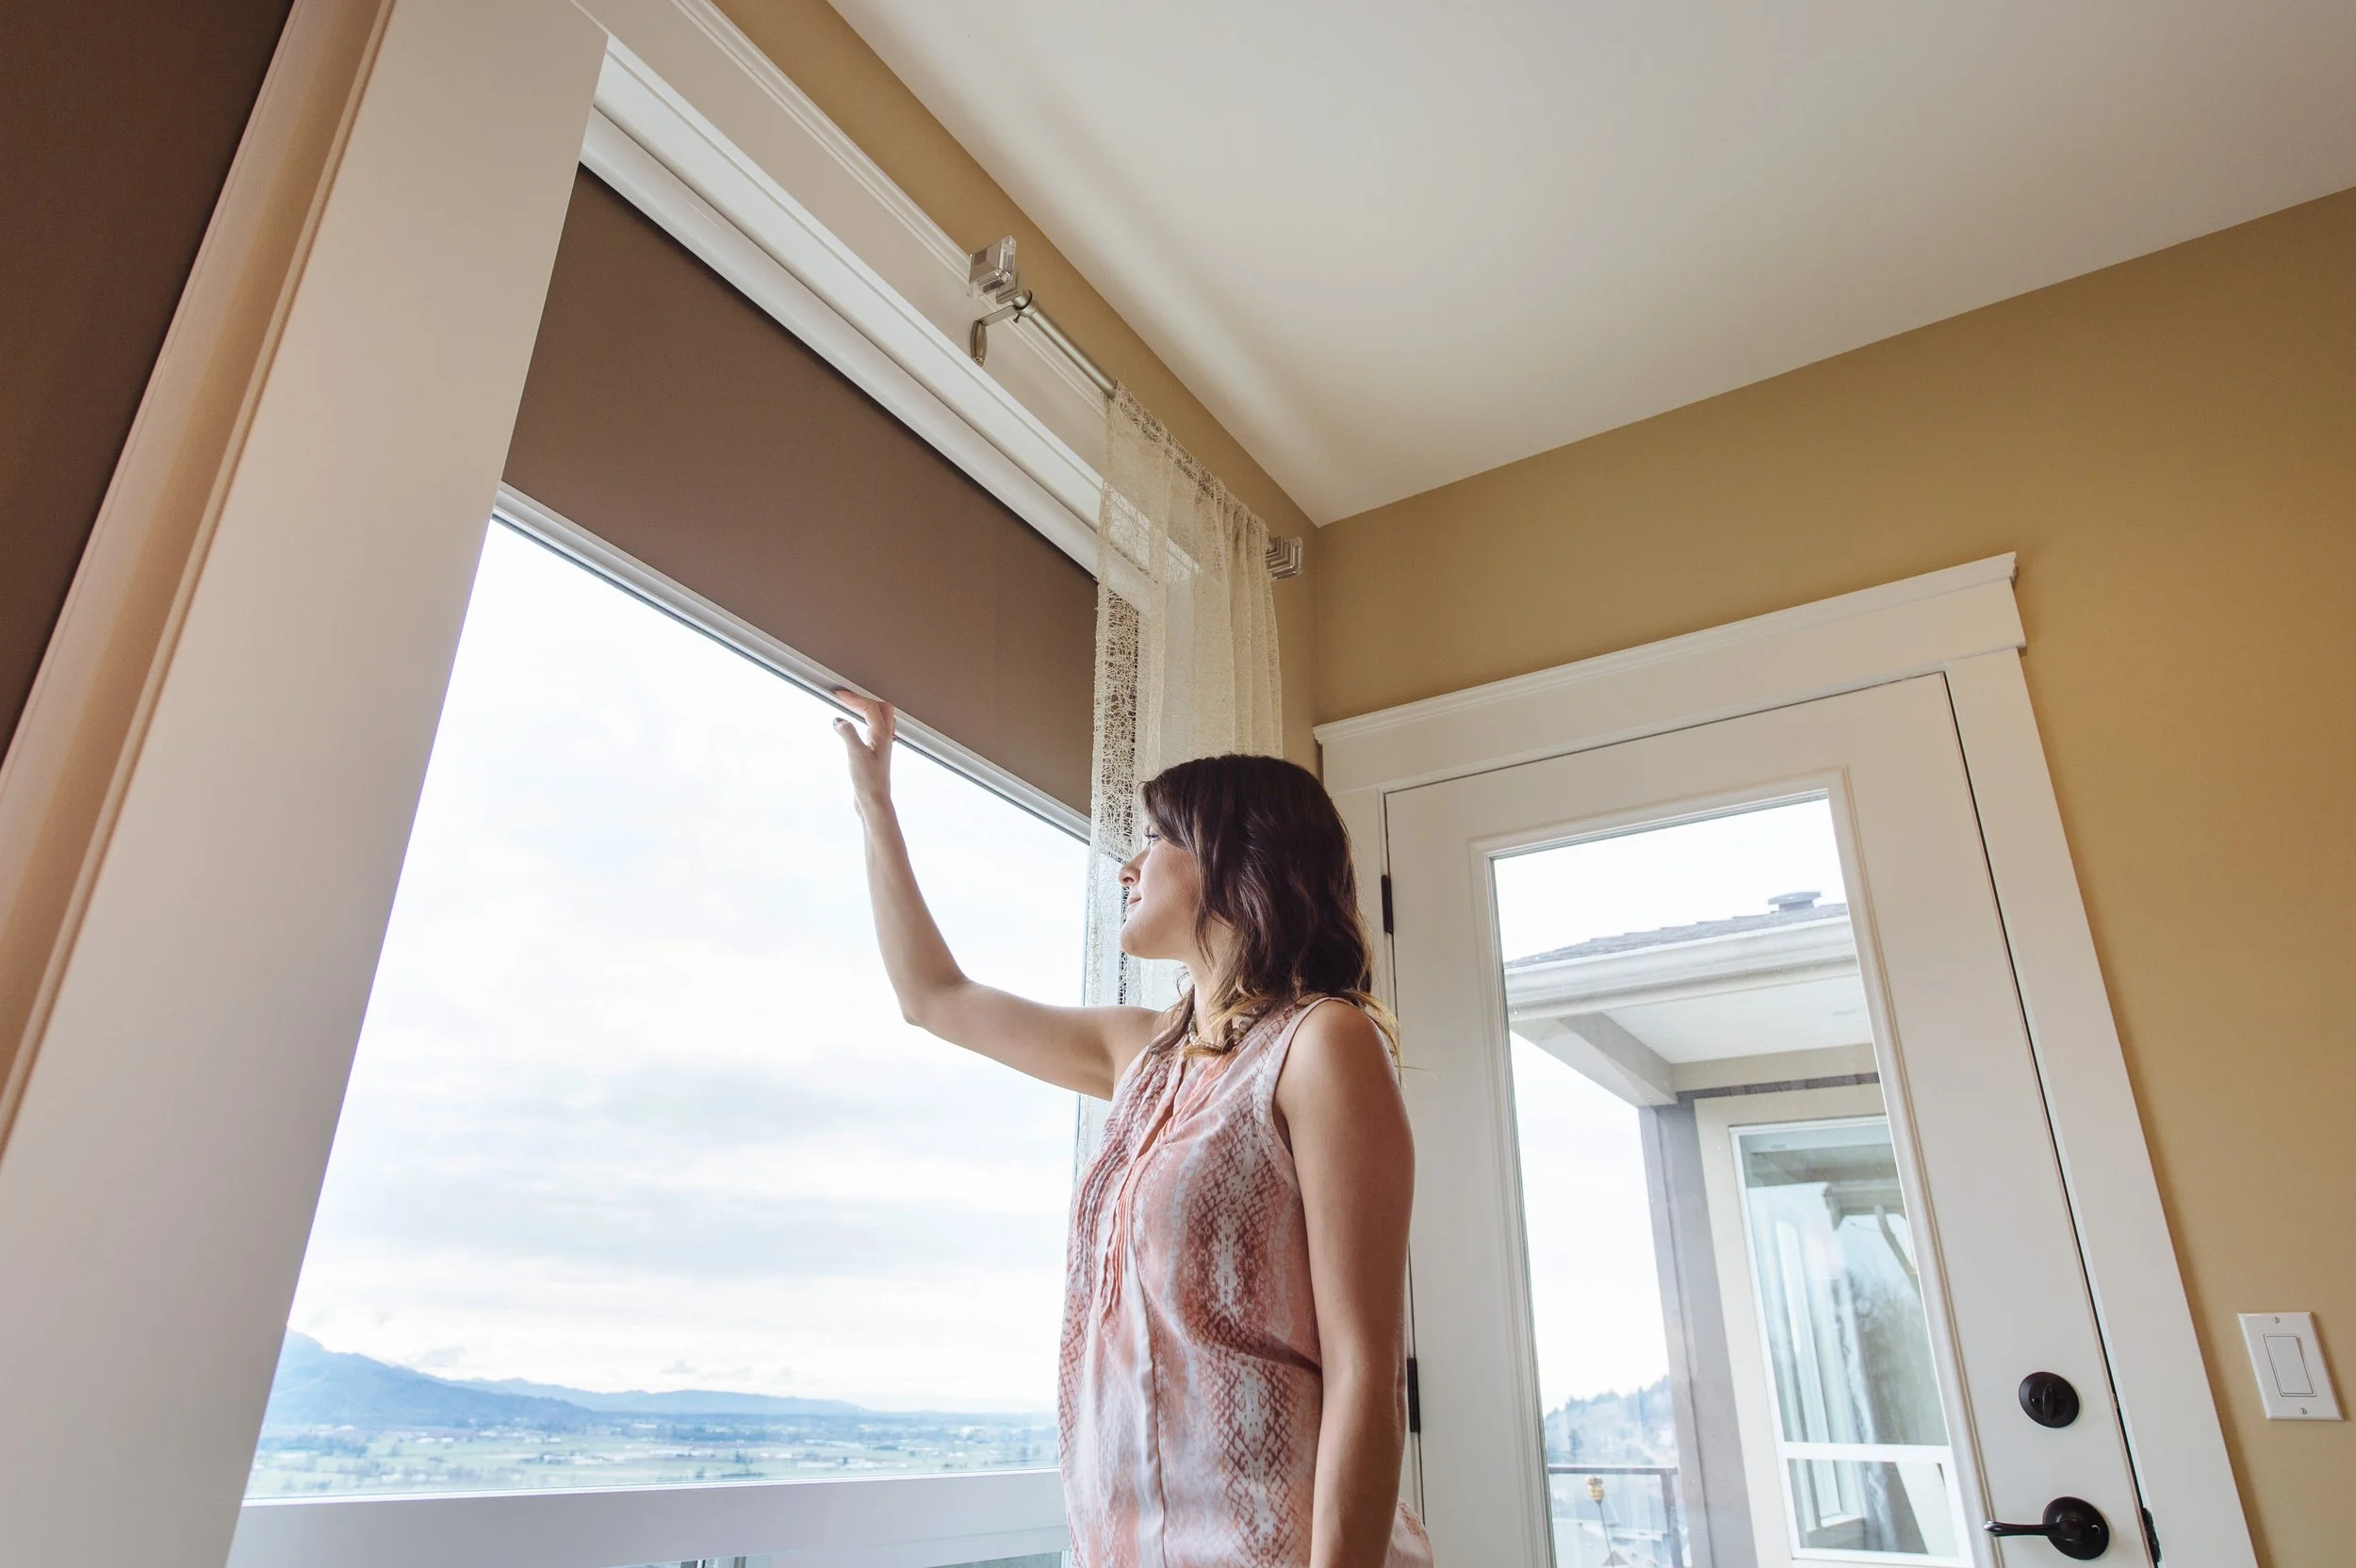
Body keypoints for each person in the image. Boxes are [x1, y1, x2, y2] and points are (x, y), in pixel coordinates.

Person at [834, 693, 1432, 1568]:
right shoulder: (1138, 1051)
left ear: (1235, 858)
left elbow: (1365, 1372)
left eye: (1154, 837)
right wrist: (874, 802)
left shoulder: (1321, 1044)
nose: (1128, 865)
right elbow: (935, 999)